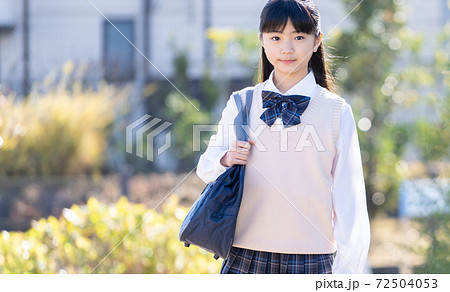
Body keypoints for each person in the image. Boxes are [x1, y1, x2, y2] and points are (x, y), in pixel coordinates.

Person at [196, 0, 370, 274]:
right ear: (262, 41)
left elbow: (350, 202)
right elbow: (206, 167)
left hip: (312, 260)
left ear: (316, 41)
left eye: (299, 37)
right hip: (245, 257)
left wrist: (345, 276)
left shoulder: (337, 112)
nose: (287, 48)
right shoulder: (241, 102)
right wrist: (227, 158)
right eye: (275, 37)